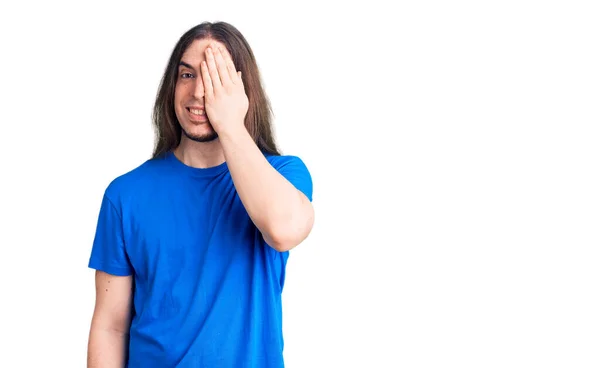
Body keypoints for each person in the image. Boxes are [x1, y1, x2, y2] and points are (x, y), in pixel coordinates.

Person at [86, 21, 314, 367]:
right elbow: (110, 327)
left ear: (241, 91)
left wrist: (230, 124)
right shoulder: (125, 195)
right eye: (188, 75)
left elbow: (283, 230)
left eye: (215, 79)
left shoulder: (283, 175)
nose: (198, 94)